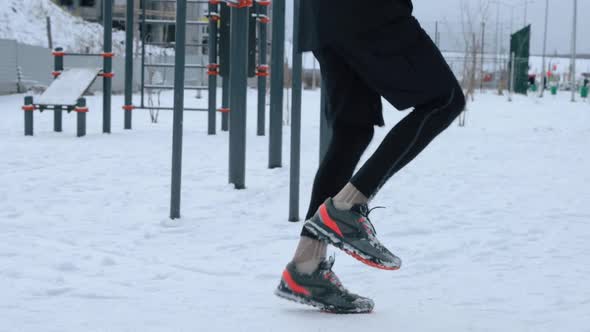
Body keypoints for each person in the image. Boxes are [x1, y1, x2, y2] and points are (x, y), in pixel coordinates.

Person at [274, 0, 466, 313]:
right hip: (367, 10)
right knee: (444, 100)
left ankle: (306, 267)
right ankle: (346, 206)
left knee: (352, 130)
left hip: (321, 16)